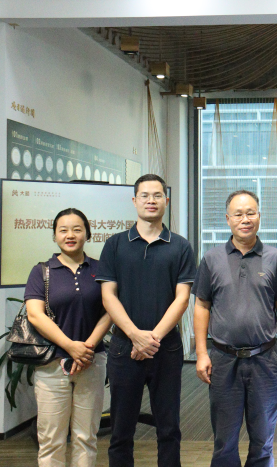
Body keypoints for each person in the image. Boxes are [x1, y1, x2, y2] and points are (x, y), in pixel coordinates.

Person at [97, 174, 196, 467]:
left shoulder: (180, 246)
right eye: (145, 195)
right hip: (123, 348)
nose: (151, 201)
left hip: (166, 348)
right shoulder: (115, 245)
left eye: (157, 195)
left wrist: (152, 339)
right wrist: (135, 335)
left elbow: (182, 299)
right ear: (134, 201)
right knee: (121, 430)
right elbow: (108, 297)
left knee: (169, 428)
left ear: (166, 200)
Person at [192, 189, 277, 467]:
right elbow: (201, 305)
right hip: (223, 360)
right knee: (224, 440)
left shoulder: (275, 258)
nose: (245, 219)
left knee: (263, 439)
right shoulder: (211, 259)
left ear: (259, 216)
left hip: (265, 359)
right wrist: (201, 353)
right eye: (238, 214)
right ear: (227, 219)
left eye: (250, 213)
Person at [25, 208, 112, 467]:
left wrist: (87, 347)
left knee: (86, 438)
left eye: (77, 229)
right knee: (51, 440)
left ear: (88, 234)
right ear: (55, 236)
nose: (70, 235)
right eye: (63, 230)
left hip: (91, 363)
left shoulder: (101, 269)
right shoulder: (41, 271)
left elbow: (110, 311)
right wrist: (70, 346)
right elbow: (35, 315)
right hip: (52, 365)